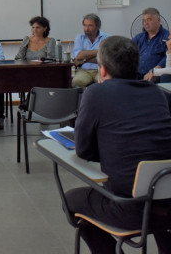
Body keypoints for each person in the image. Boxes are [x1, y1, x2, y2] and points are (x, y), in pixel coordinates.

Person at [65, 36, 171, 254]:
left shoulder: (95, 93)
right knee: (154, 192)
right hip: (167, 203)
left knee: (72, 200)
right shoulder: (158, 94)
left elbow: (83, 150)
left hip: (127, 208)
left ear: (102, 70)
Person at [72, 13, 109, 88]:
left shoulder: (106, 38)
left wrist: (84, 59)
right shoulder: (79, 37)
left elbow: (105, 59)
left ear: (98, 26)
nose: (86, 29)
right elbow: (78, 56)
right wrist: (99, 51)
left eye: (90, 25)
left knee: (104, 83)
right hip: (84, 70)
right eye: (85, 25)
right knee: (76, 82)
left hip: (101, 69)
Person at [132, 7, 169, 81]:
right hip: (137, 74)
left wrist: (155, 71)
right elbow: (128, 50)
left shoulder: (167, 36)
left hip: (156, 75)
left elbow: (168, 56)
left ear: (158, 20)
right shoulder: (139, 37)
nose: (146, 23)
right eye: (144, 20)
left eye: (149, 20)